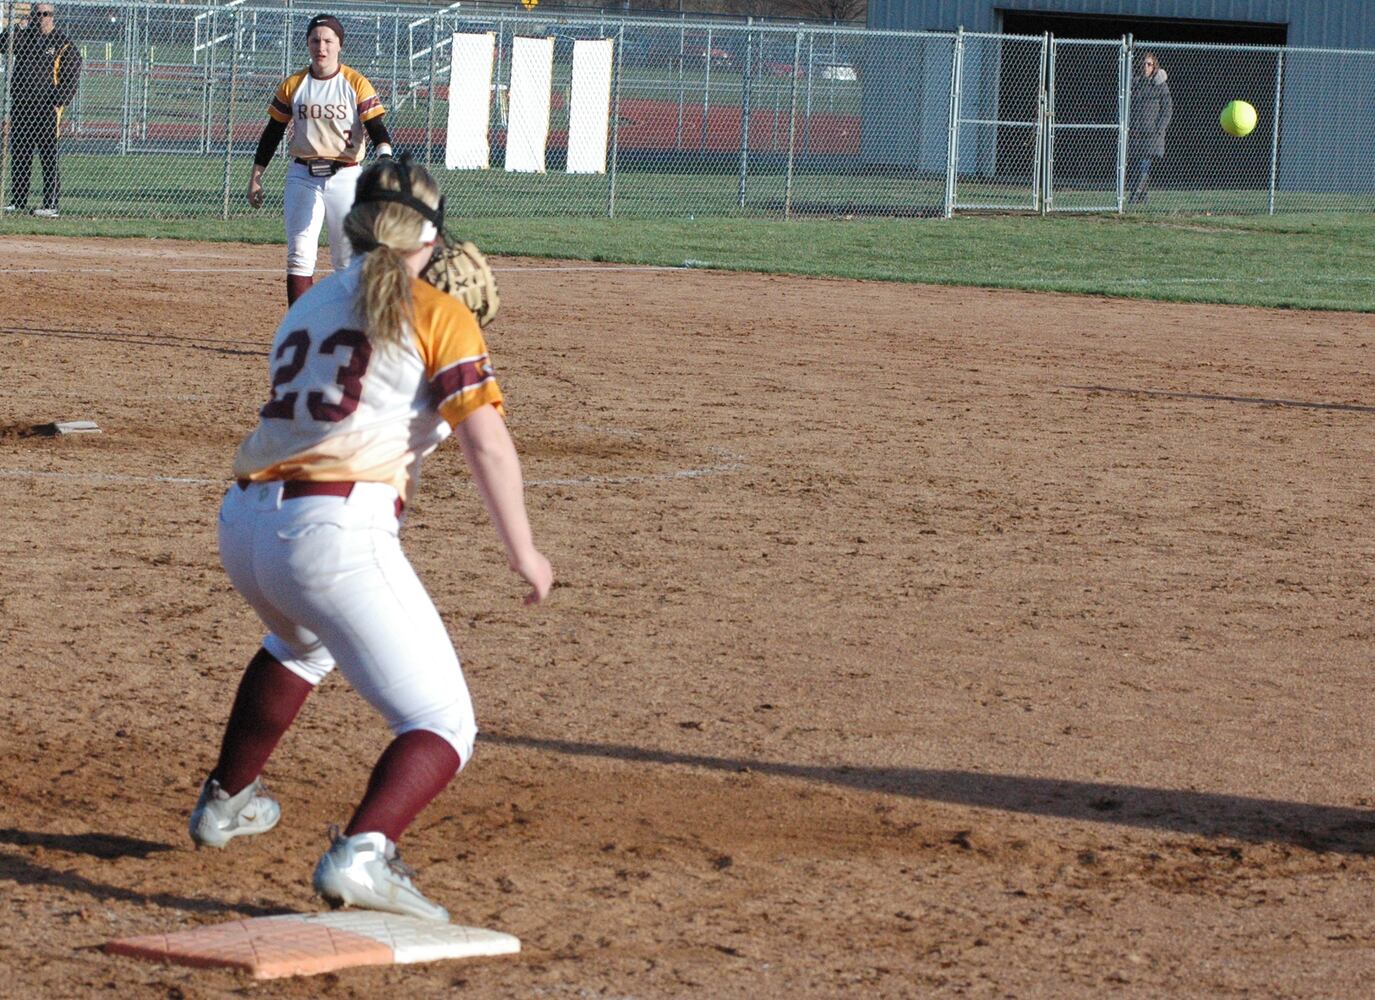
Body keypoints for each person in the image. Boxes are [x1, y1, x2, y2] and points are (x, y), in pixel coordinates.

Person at [190, 156, 553, 923]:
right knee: (443, 725)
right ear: (431, 238)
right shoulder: (436, 313)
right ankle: (362, 853)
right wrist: (524, 551)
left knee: (299, 645)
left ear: (353, 227)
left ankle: (226, 800)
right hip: (331, 532)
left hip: (247, 525)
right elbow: (487, 445)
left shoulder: (311, 301)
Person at [248, 14, 393, 305]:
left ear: (340, 45)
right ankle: (300, 331)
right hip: (303, 175)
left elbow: (376, 127)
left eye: (328, 40)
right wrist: (256, 174)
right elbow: (273, 131)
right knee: (299, 252)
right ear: (307, 44)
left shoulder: (354, 82)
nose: (321, 47)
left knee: (346, 257)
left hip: (346, 175)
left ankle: (347, 328)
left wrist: (385, 157)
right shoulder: (295, 84)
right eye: (315, 40)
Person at [1, 3, 81, 217]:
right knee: (20, 155)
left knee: (48, 156)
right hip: (22, 106)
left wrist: (58, 101)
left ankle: (51, 205)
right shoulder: (25, 38)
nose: (42, 18)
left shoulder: (62, 43)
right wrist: (18, 27)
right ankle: (18, 201)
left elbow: (71, 77)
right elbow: (3, 45)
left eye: (46, 14)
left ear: (52, 16)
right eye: (37, 14)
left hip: (46, 108)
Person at [1127, 50, 1172, 206]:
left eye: (1149, 64)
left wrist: (1159, 129)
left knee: (1143, 165)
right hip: (1135, 133)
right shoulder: (1134, 83)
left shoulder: (1160, 85)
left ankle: (1134, 197)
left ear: (1154, 66)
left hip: (1151, 135)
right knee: (1136, 167)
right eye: (1143, 64)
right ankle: (1144, 199)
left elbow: (1167, 109)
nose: (1146, 67)